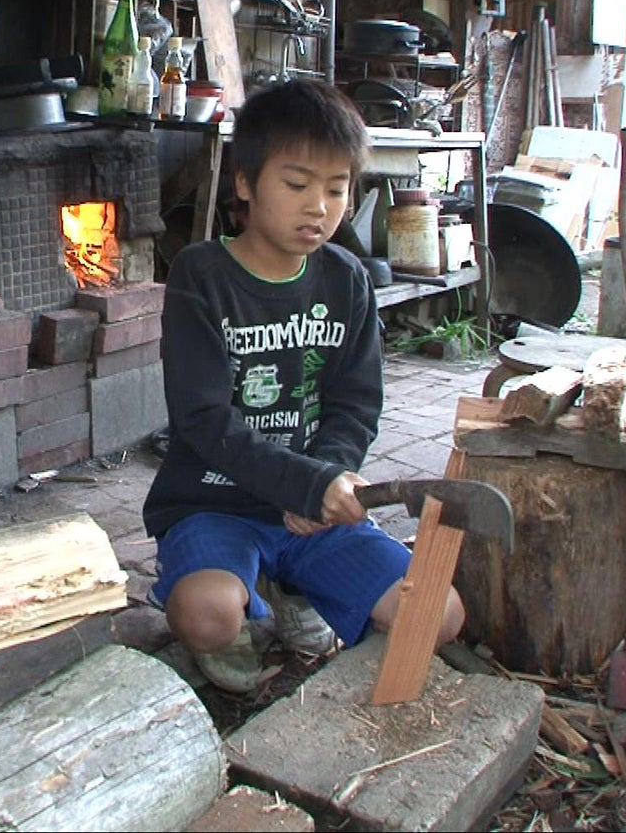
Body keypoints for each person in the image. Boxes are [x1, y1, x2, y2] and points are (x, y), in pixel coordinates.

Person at [142, 78, 466, 694]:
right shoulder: (201, 276)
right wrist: (308, 484)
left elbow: (355, 404)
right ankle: (248, 604)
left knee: (439, 615)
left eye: (337, 189)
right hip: (214, 504)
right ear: (245, 182)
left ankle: (294, 589)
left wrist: (327, 476)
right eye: (296, 185)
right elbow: (203, 418)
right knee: (207, 615)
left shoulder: (346, 281)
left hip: (310, 512)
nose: (318, 206)